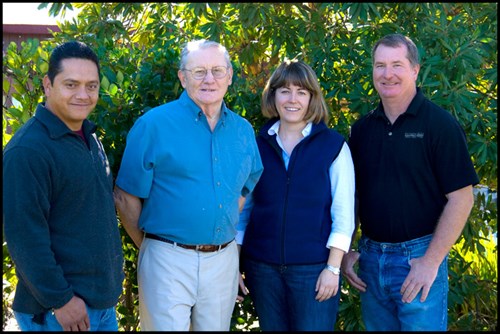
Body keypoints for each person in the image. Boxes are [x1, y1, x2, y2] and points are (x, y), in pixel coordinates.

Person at [113, 39, 263, 331]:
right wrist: (152, 250)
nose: (210, 79)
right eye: (199, 71)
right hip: (166, 258)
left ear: (230, 76)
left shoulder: (243, 131)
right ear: (183, 77)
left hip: (222, 260)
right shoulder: (153, 125)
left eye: (218, 71)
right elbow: (124, 197)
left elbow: (242, 191)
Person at [342, 33, 479, 331]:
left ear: (415, 69)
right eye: (380, 65)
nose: (387, 74)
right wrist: (347, 249)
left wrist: (430, 262)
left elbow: (462, 198)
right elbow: (353, 197)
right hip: (371, 259)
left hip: (418, 260)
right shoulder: (362, 130)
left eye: (397, 65)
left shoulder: (439, 125)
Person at [3, 41, 125, 331]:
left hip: (100, 307)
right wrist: (61, 301)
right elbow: (24, 237)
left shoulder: (88, 136)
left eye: (92, 86)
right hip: (59, 314)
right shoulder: (28, 151)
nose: (83, 95)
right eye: (71, 84)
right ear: (48, 84)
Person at [237, 59, 355, 331]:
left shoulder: (333, 146)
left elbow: (343, 214)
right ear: (273, 95)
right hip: (262, 269)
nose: (292, 99)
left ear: (312, 98)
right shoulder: (257, 145)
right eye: (284, 90)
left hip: (314, 270)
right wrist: (234, 264)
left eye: (301, 92)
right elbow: (243, 212)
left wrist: (333, 269)